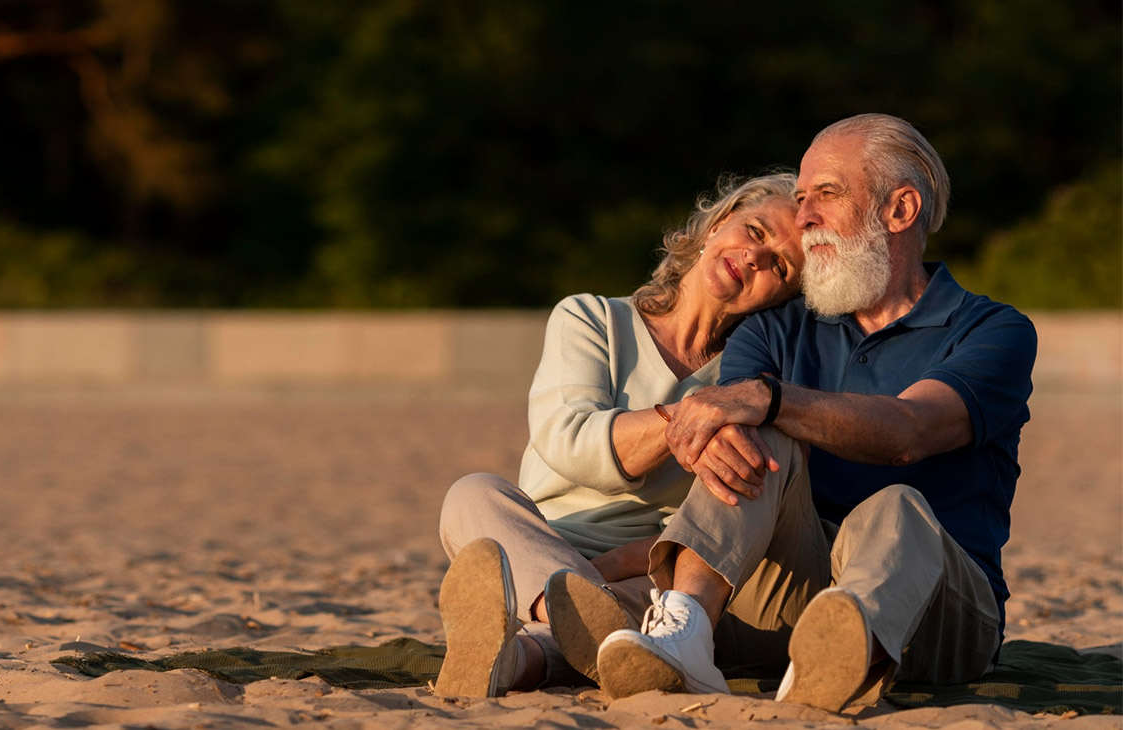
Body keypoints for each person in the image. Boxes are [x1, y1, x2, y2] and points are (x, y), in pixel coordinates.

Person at [592, 113, 1037, 712]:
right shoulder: (775, 330)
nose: (803, 219)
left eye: (826, 195)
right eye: (800, 199)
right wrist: (749, 413)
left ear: (900, 211)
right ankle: (684, 633)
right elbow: (732, 438)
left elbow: (911, 432)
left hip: (943, 606)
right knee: (758, 439)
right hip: (794, 586)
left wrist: (774, 398)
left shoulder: (993, 330)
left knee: (894, 505)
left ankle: (844, 650)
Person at [433, 171, 806, 697]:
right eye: (757, 232)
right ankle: (574, 613)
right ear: (719, 223)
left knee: (659, 609)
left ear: (786, 296)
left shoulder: (755, 380)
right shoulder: (591, 317)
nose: (755, 258)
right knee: (471, 494)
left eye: (780, 267)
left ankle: (515, 658)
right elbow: (570, 440)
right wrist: (693, 415)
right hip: (543, 537)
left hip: (652, 562)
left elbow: (731, 517)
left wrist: (627, 560)